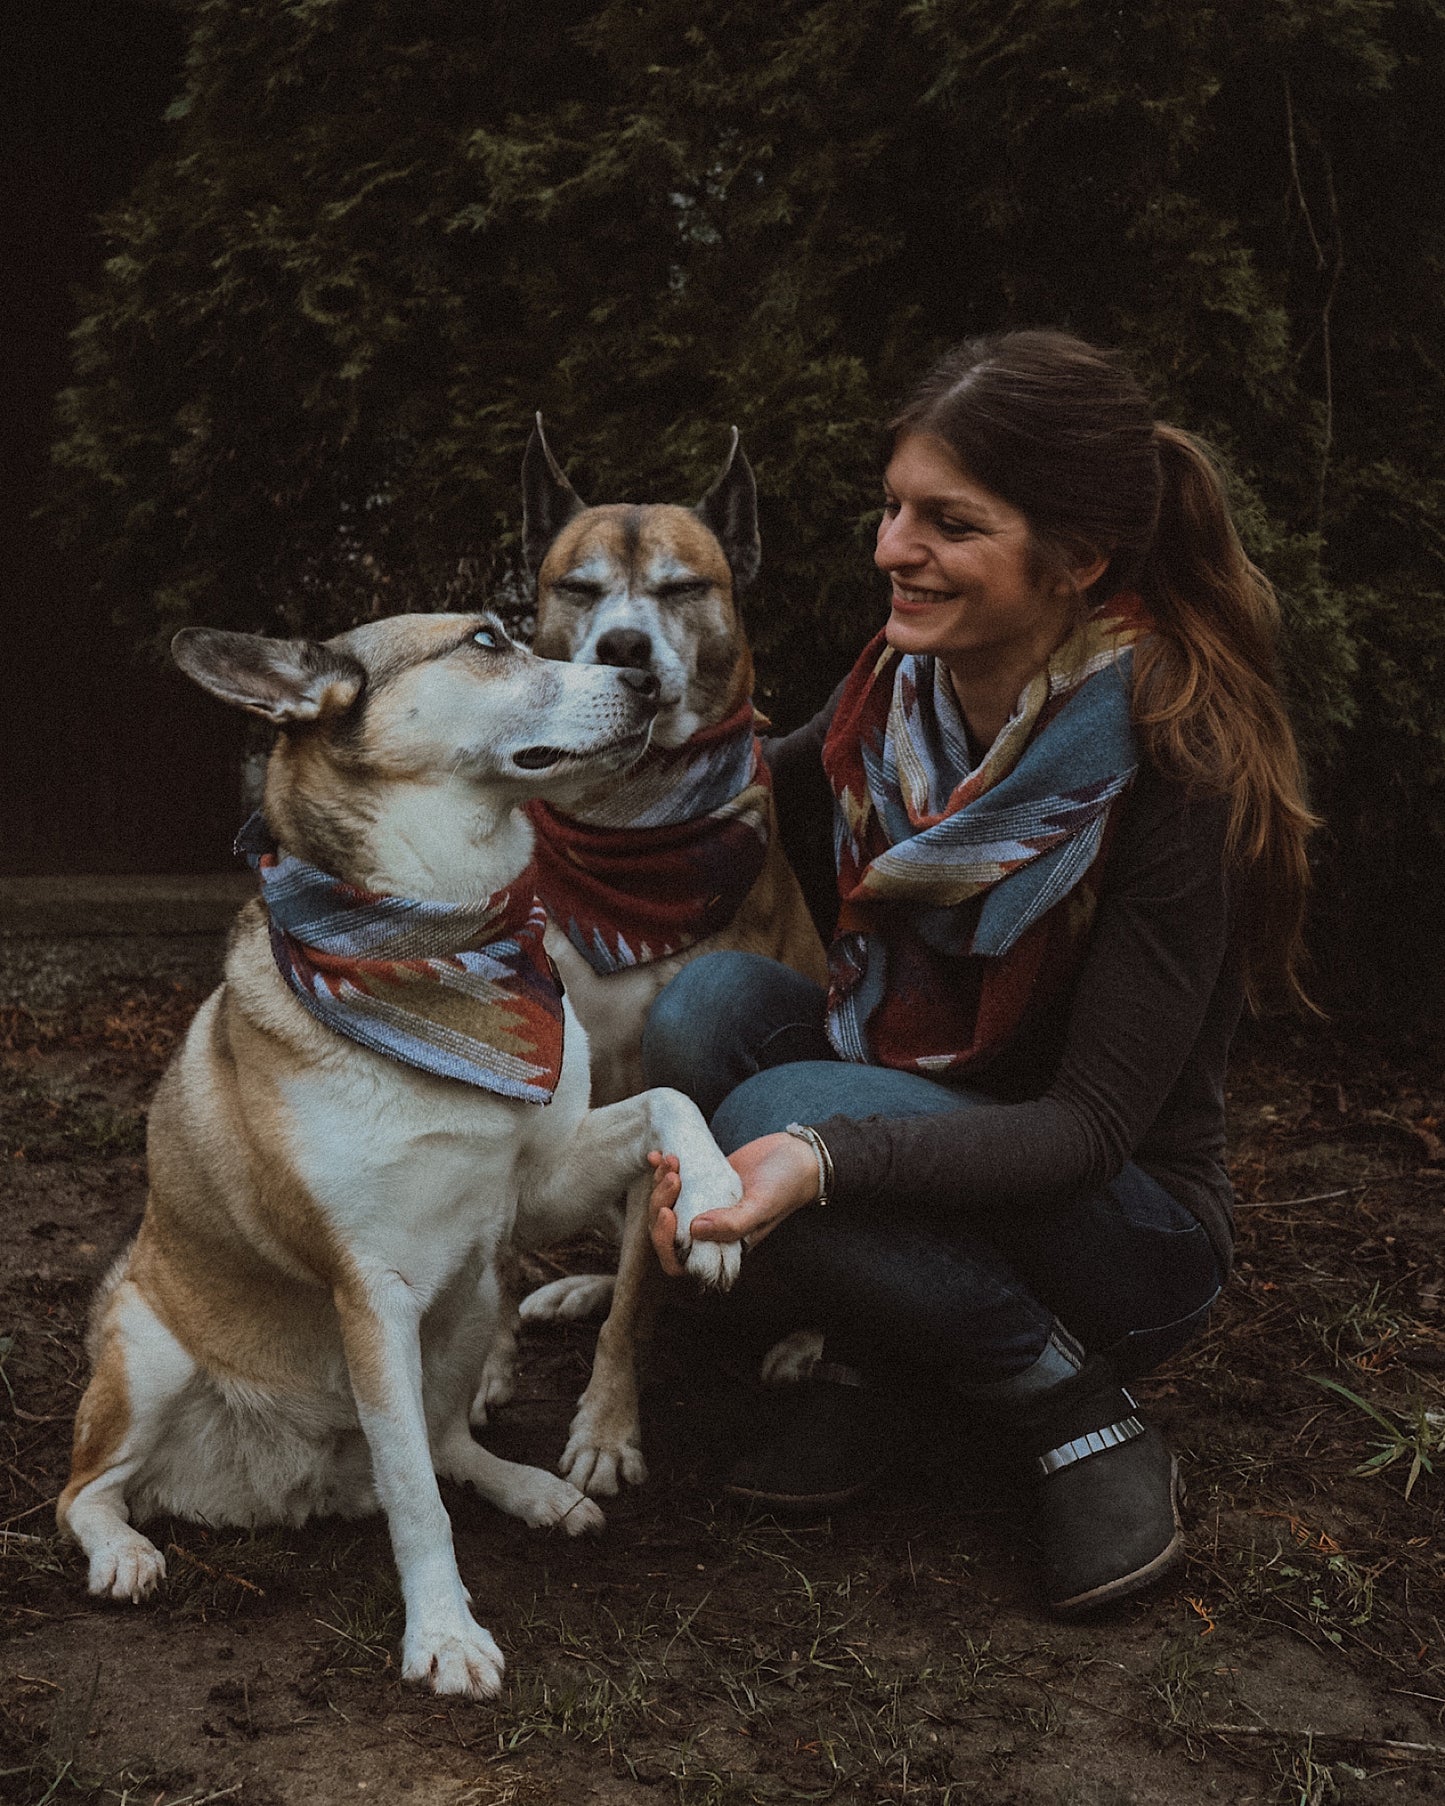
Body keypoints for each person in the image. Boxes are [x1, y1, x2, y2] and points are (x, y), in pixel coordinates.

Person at [640, 329, 1315, 1617]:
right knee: (706, 1013)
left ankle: (1069, 1402)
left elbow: (1085, 1132)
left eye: (949, 523)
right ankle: (895, 1355)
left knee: (770, 1118)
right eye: (894, 508)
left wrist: (824, 1161)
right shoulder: (907, 683)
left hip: (1129, 1227)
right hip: (927, 1115)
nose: (894, 549)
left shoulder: (1178, 761)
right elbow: (727, 798)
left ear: (1078, 561)